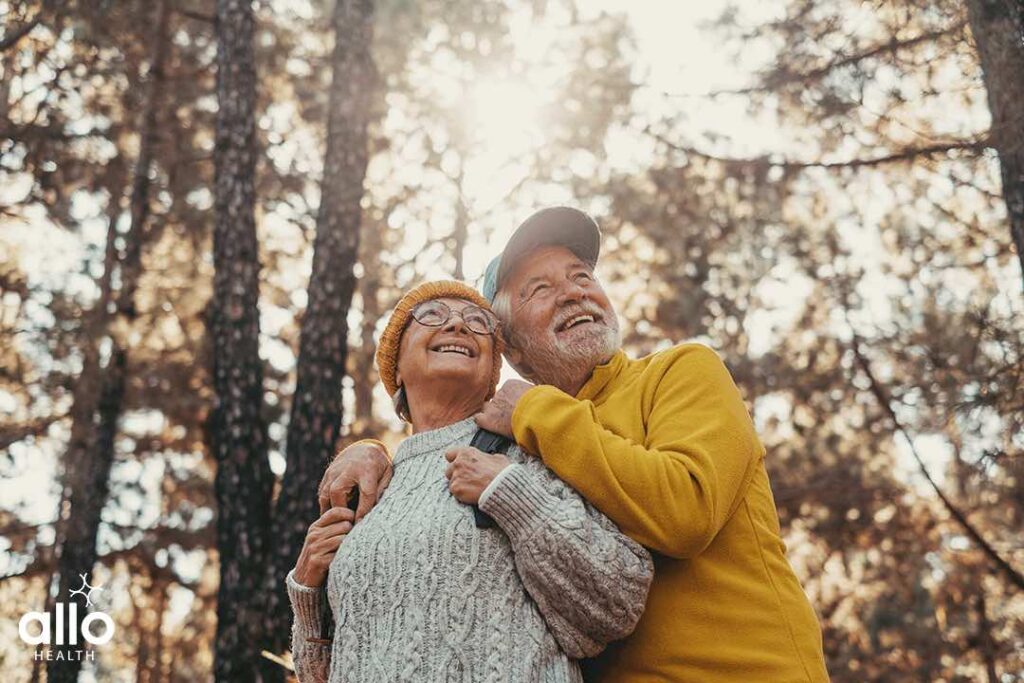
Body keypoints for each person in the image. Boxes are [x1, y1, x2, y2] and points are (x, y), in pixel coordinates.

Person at [322, 209, 831, 683]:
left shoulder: (679, 372)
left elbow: (687, 511)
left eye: (582, 277)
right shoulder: (512, 443)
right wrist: (372, 451)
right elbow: (433, 457)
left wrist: (532, 411)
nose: (572, 293)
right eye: (539, 289)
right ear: (513, 350)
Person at [288, 280, 653, 683]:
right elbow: (321, 676)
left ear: (492, 372)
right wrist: (307, 596)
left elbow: (618, 603)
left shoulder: (525, 453)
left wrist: (513, 494)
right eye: (432, 315)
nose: (458, 326)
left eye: (478, 323)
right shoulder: (369, 488)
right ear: (396, 364)